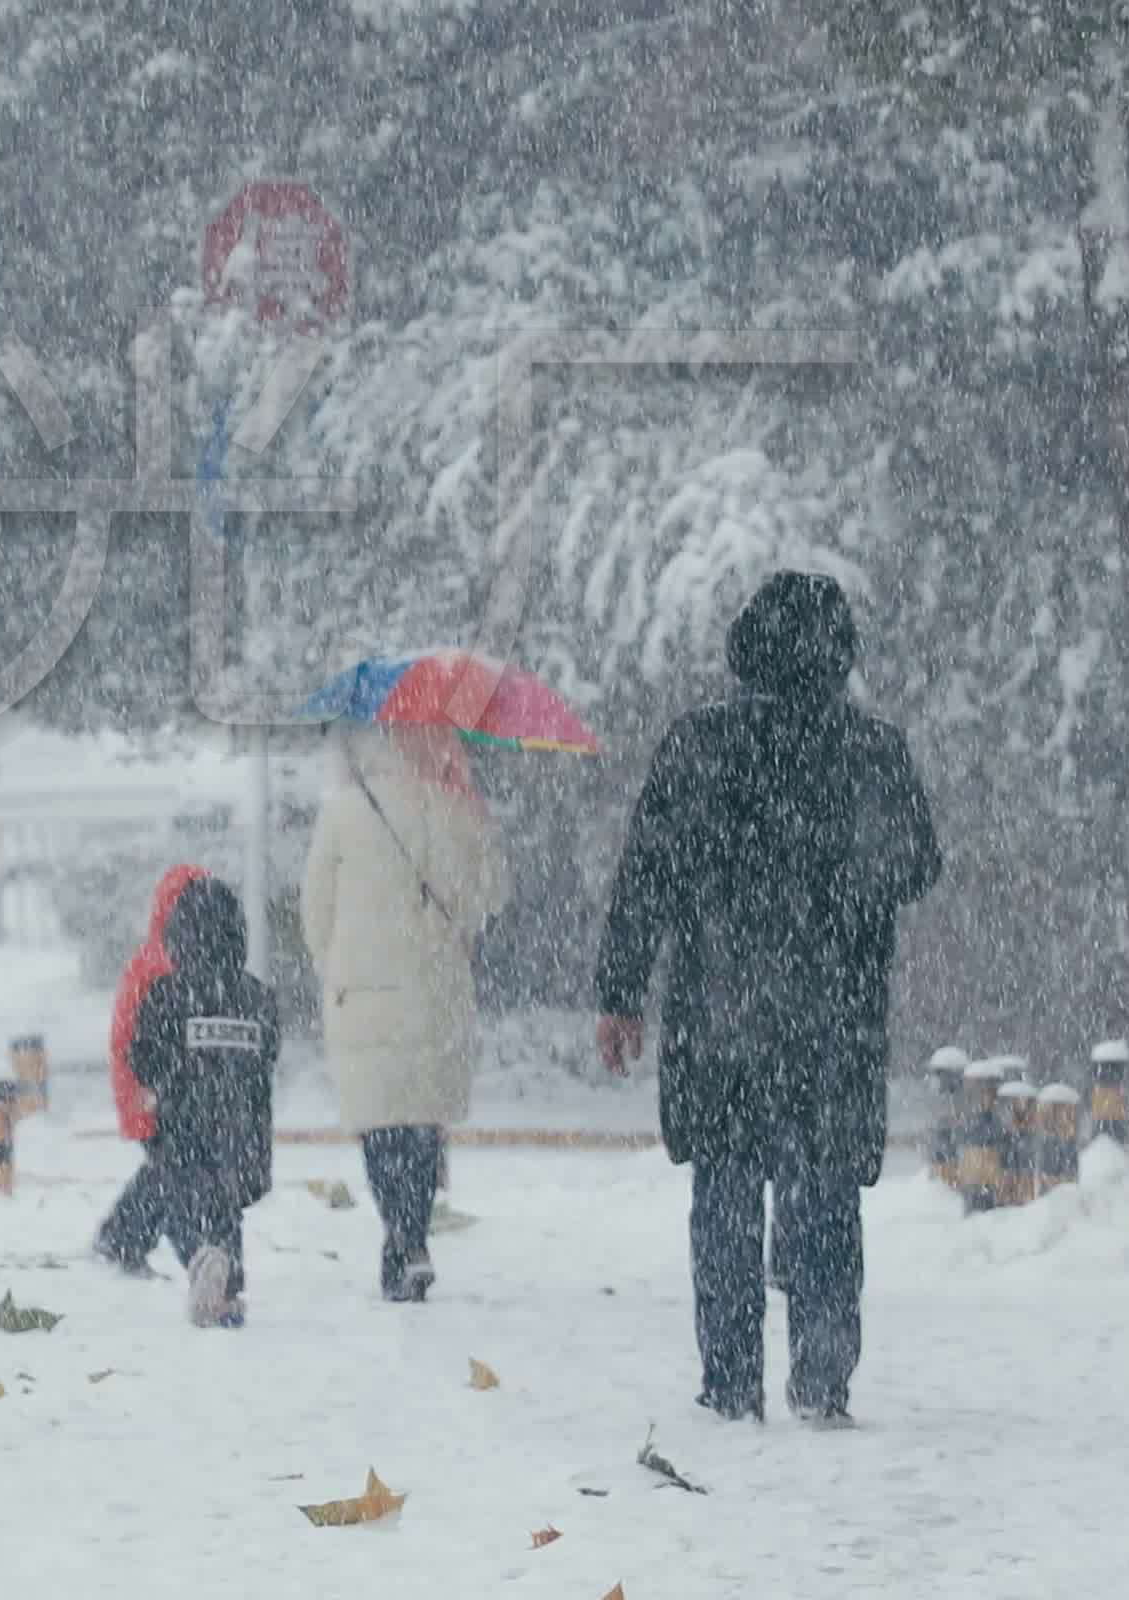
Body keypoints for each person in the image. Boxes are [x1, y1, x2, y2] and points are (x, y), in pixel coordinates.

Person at [593, 571, 943, 1428]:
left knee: (724, 1190)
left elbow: (647, 877)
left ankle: (732, 1379)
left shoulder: (697, 746)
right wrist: (836, 880)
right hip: (835, 1018)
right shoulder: (872, 753)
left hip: (722, 1019)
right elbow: (916, 867)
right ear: (840, 656)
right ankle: (822, 1374)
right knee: (825, 1189)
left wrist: (621, 992)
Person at [301, 718, 509, 1302]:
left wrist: (336, 962)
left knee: (379, 1122)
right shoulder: (454, 807)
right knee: (420, 1121)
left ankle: (399, 1229)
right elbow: (491, 897)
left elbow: (315, 910)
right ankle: (412, 1235)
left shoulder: (344, 810)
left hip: (362, 990)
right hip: (435, 988)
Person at [126, 872, 278, 1327]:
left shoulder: (166, 995)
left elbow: (142, 1054)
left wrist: (162, 1087)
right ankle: (225, 1287)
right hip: (244, 1131)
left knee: (183, 1208)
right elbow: (269, 1055)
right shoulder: (257, 997)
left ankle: (203, 1261)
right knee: (226, 1209)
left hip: (184, 1128)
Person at [93, 864, 211, 1273]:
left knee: (169, 1168)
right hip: (154, 1088)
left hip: (157, 1087)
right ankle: (140, 1240)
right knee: (175, 1172)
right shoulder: (166, 963)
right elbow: (146, 1038)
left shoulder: (161, 956)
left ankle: (124, 1237)